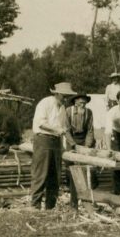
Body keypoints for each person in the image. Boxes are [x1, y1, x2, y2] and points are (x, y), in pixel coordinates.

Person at [30, 82, 76, 210]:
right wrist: (56, 130)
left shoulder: (62, 108)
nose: (66, 99)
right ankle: (35, 206)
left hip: (56, 142)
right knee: (41, 174)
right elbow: (41, 124)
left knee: (55, 176)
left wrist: (73, 144)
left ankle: (50, 207)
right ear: (57, 93)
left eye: (68, 96)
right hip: (43, 140)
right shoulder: (45, 103)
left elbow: (64, 129)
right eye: (64, 96)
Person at [65, 91, 96, 209]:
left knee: (88, 168)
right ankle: (73, 201)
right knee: (72, 169)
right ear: (75, 103)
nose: (83, 105)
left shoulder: (89, 113)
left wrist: (87, 146)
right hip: (72, 139)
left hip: (84, 140)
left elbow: (90, 130)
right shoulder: (68, 112)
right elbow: (66, 130)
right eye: (81, 103)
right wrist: (73, 145)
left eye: (85, 103)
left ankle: (88, 198)